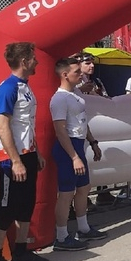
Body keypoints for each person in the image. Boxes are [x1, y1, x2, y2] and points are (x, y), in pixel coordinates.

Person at [0, 42, 50, 261]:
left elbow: (26, 125)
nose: (37, 61)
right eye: (33, 58)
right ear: (24, 61)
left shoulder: (25, 86)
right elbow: (3, 127)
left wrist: (36, 152)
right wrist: (15, 161)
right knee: (7, 207)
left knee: (26, 204)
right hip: (10, 158)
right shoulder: (8, 88)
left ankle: (21, 250)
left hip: (28, 153)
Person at [50, 57, 107, 251]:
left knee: (84, 188)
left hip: (79, 142)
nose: (80, 74)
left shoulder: (75, 92)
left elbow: (82, 120)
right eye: (76, 72)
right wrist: (74, 157)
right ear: (65, 75)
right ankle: (61, 236)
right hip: (67, 146)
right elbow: (60, 130)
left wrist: (93, 141)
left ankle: (83, 228)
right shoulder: (59, 99)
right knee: (66, 193)